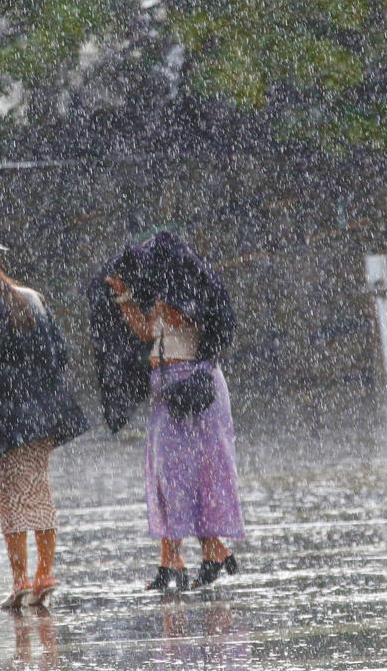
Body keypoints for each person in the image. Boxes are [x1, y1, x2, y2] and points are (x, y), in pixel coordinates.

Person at [101, 230, 243, 591]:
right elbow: (149, 332)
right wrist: (125, 299)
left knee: (203, 474)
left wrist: (170, 304)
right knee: (167, 475)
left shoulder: (195, 289)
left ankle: (196, 554)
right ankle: (188, 555)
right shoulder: (165, 291)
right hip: (165, 389)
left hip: (196, 387)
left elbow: (188, 321)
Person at [0, 249, 87, 609]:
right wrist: (37, 382)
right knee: (38, 489)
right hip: (41, 414)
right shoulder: (32, 299)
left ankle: (22, 580)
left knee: (10, 499)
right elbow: (60, 352)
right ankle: (45, 571)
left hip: (4, 418)